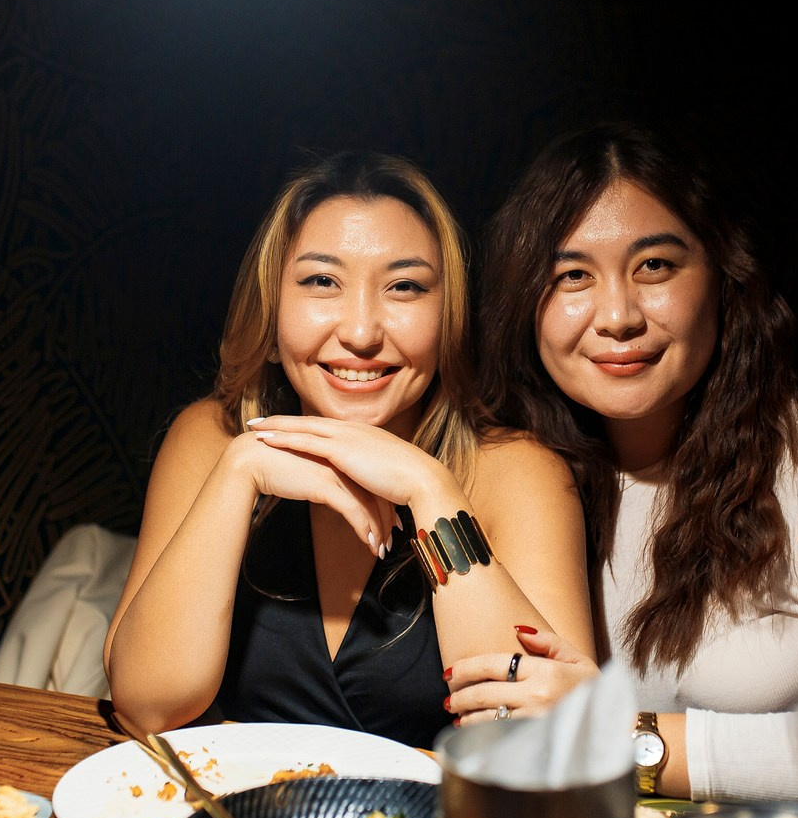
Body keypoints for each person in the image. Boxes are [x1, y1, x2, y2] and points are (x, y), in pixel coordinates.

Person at [445, 122, 798, 803]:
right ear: (524, 304)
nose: (618, 316)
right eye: (572, 275)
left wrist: (623, 740)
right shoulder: (518, 474)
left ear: (723, 277)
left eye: (655, 266)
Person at [103, 150, 592, 749]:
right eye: (321, 282)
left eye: (404, 287)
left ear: (448, 322)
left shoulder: (518, 473)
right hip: (238, 804)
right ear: (272, 316)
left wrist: (430, 490)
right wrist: (240, 470)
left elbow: (537, 744)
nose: (361, 333)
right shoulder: (212, 439)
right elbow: (148, 706)